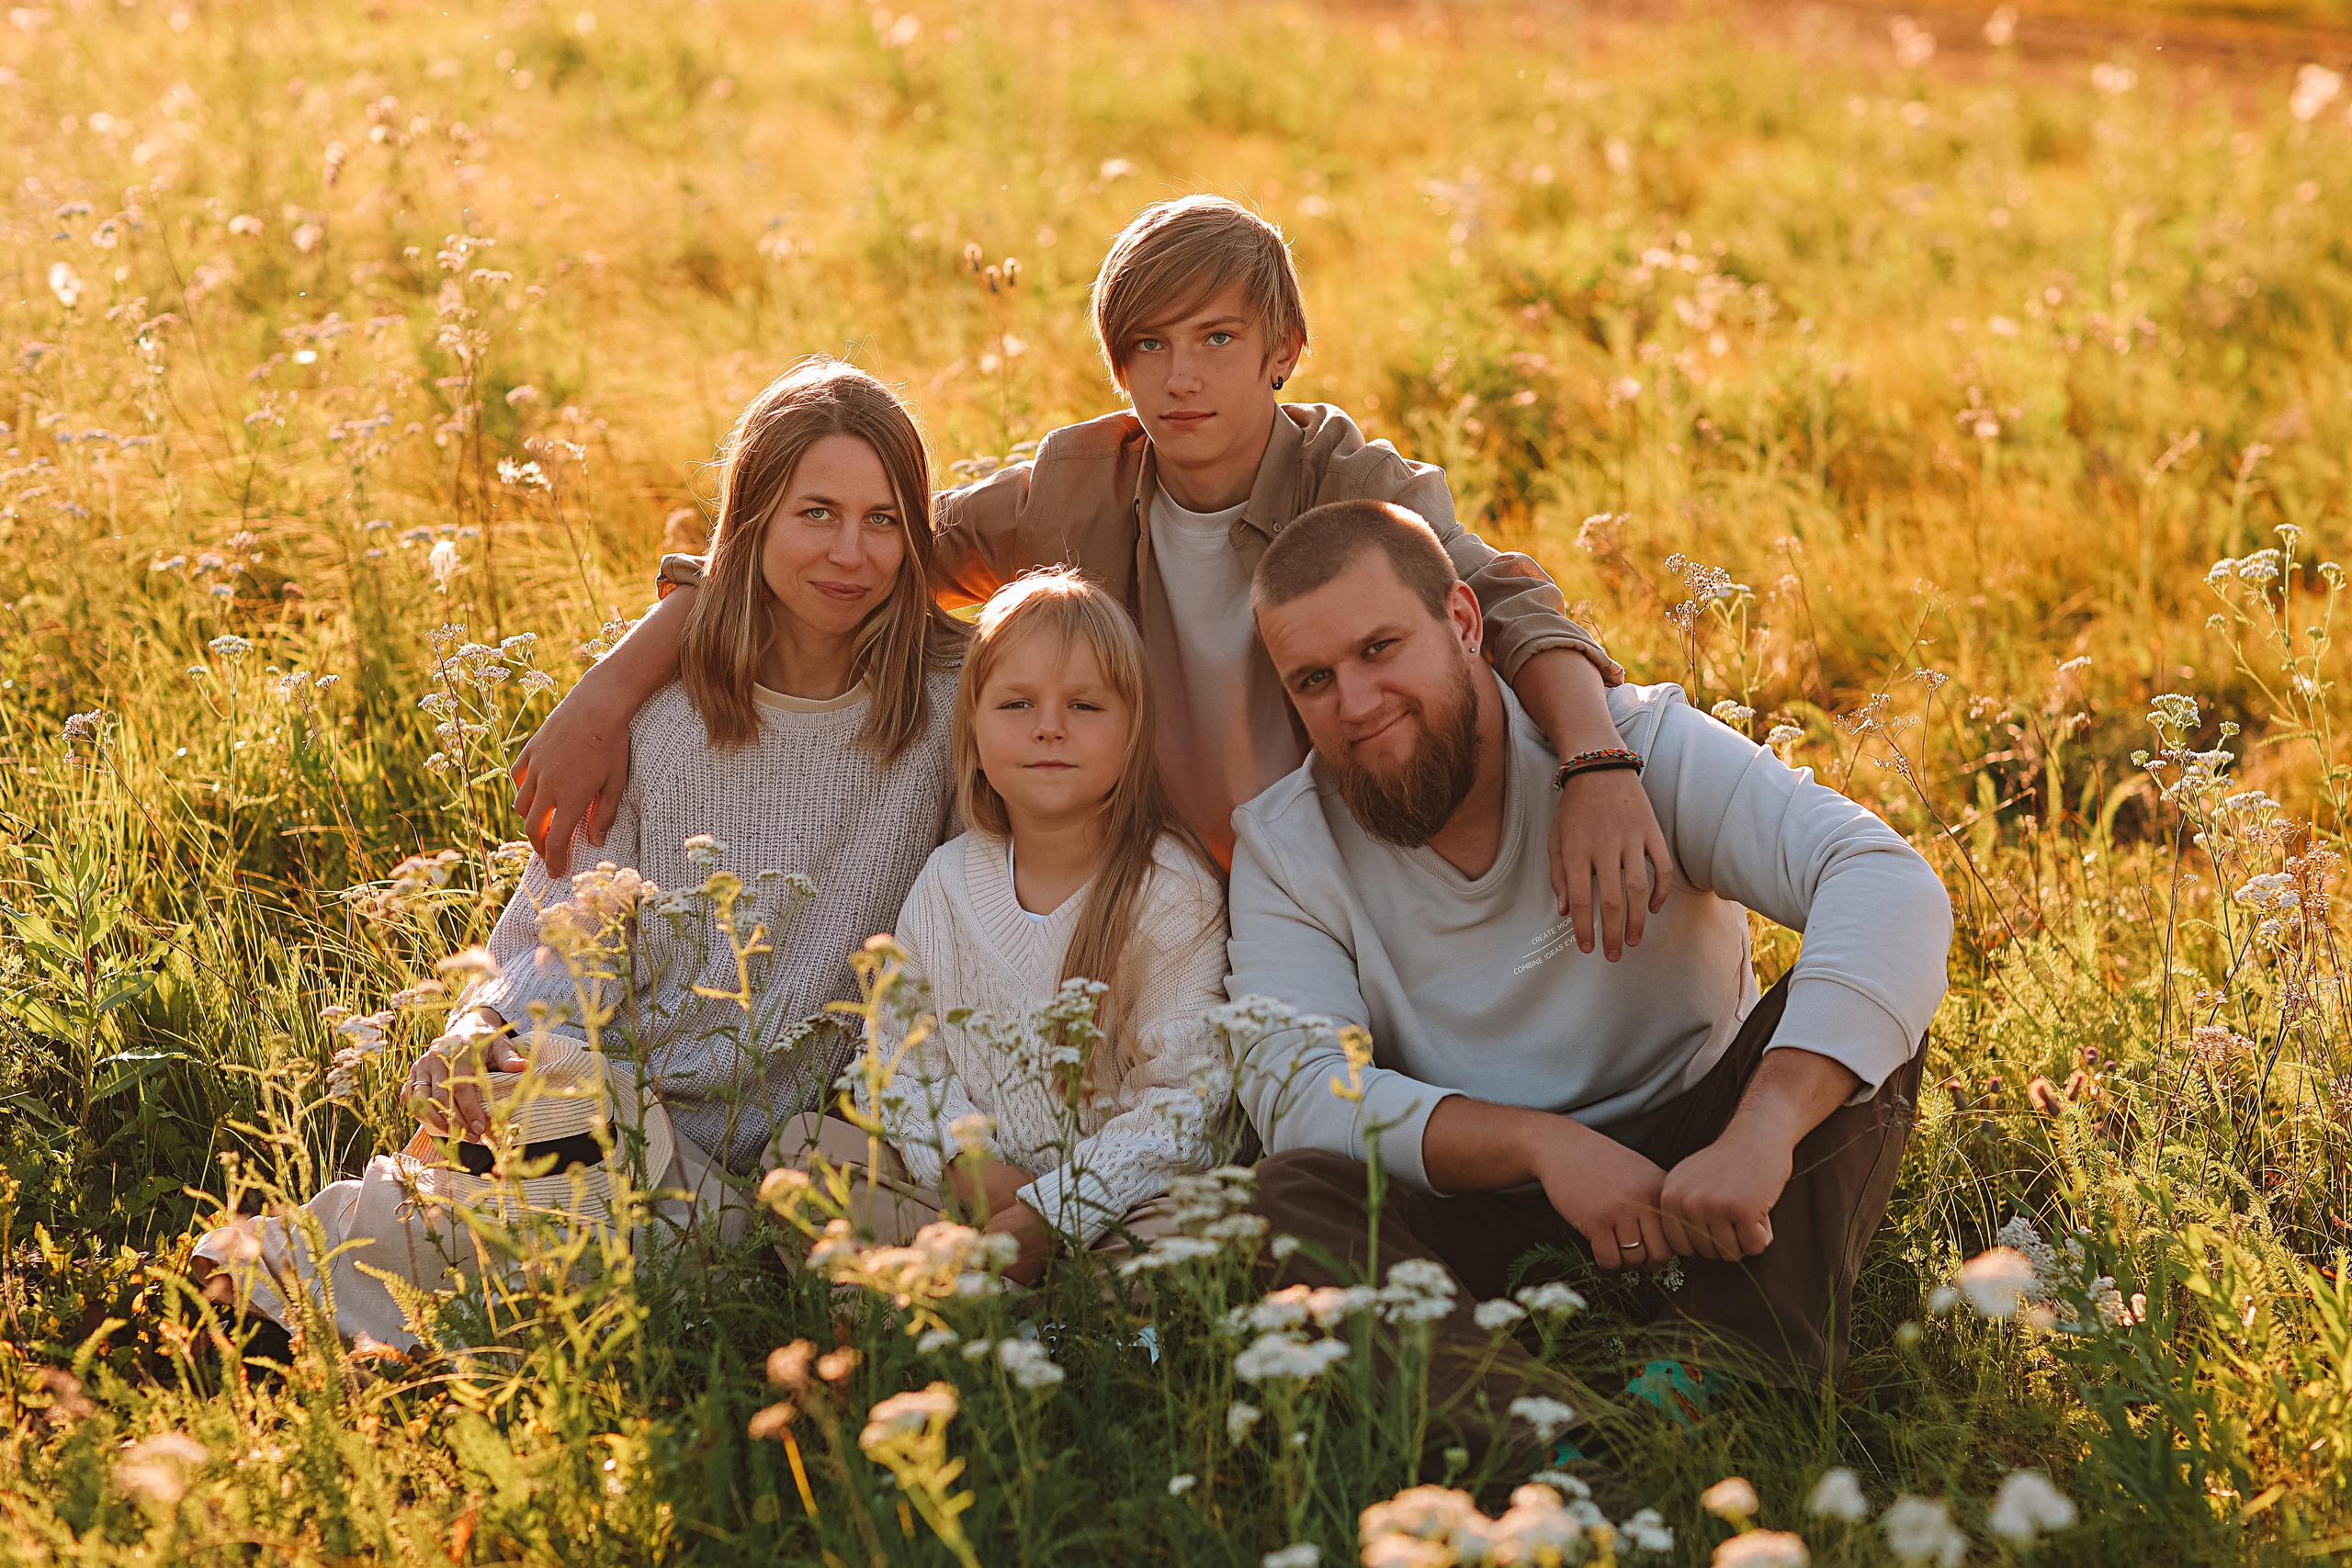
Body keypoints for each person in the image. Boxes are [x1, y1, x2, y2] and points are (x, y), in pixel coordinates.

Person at [511, 195, 1670, 964]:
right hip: (1141, 884)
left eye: (1217, 339)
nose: (1181, 380)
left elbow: (1507, 602)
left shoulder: (1348, 484)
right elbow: (855, 559)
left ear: (1283, 350)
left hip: (1341, 873)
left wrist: (1599, 760)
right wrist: (610, 694)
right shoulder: (1081, 482)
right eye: (1146, 348)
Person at [190, 357, 967, 1347]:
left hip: (801, 1149)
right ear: (755, 522)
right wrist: (489, 1031)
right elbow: (559, 939)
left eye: (884, 519)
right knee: (528, 1091)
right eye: (815, 513)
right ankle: (310, 1280)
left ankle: (315, 1284)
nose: (850, 552)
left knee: (543, 1228)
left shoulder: (951, 705)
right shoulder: (664, 721)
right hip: (618, 1110)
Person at [1224, 499, 1951, 1433]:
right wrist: (1540, 1145)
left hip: (1711, 1170)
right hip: (1478, 1202)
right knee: (1290, 1193)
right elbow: (1298, 1088)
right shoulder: (1286, 845)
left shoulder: (1633, 747)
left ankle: (1715, 1375)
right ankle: (1540, 1443)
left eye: (1378, 649)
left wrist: (1761, 1131)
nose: (1355, 704)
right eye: (1313, 680)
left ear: (1461, 620)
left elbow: (1887, 882)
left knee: (1862, 1005)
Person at [775, 569, 1228, 1281]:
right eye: (1017, 703)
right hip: (959, 1195)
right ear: (974, 728)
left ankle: (984, 1308)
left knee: (1185, 1229)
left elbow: (1185, 1103)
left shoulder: (1169, 892)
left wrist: (1059, 1209)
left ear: (1134, 728)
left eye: (1084, 704)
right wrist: (967, 1163)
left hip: (1109, 1214)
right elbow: (896, 1054)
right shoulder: (949, 879)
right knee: (807, 1155)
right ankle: (969, 1291)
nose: (1050, 726)